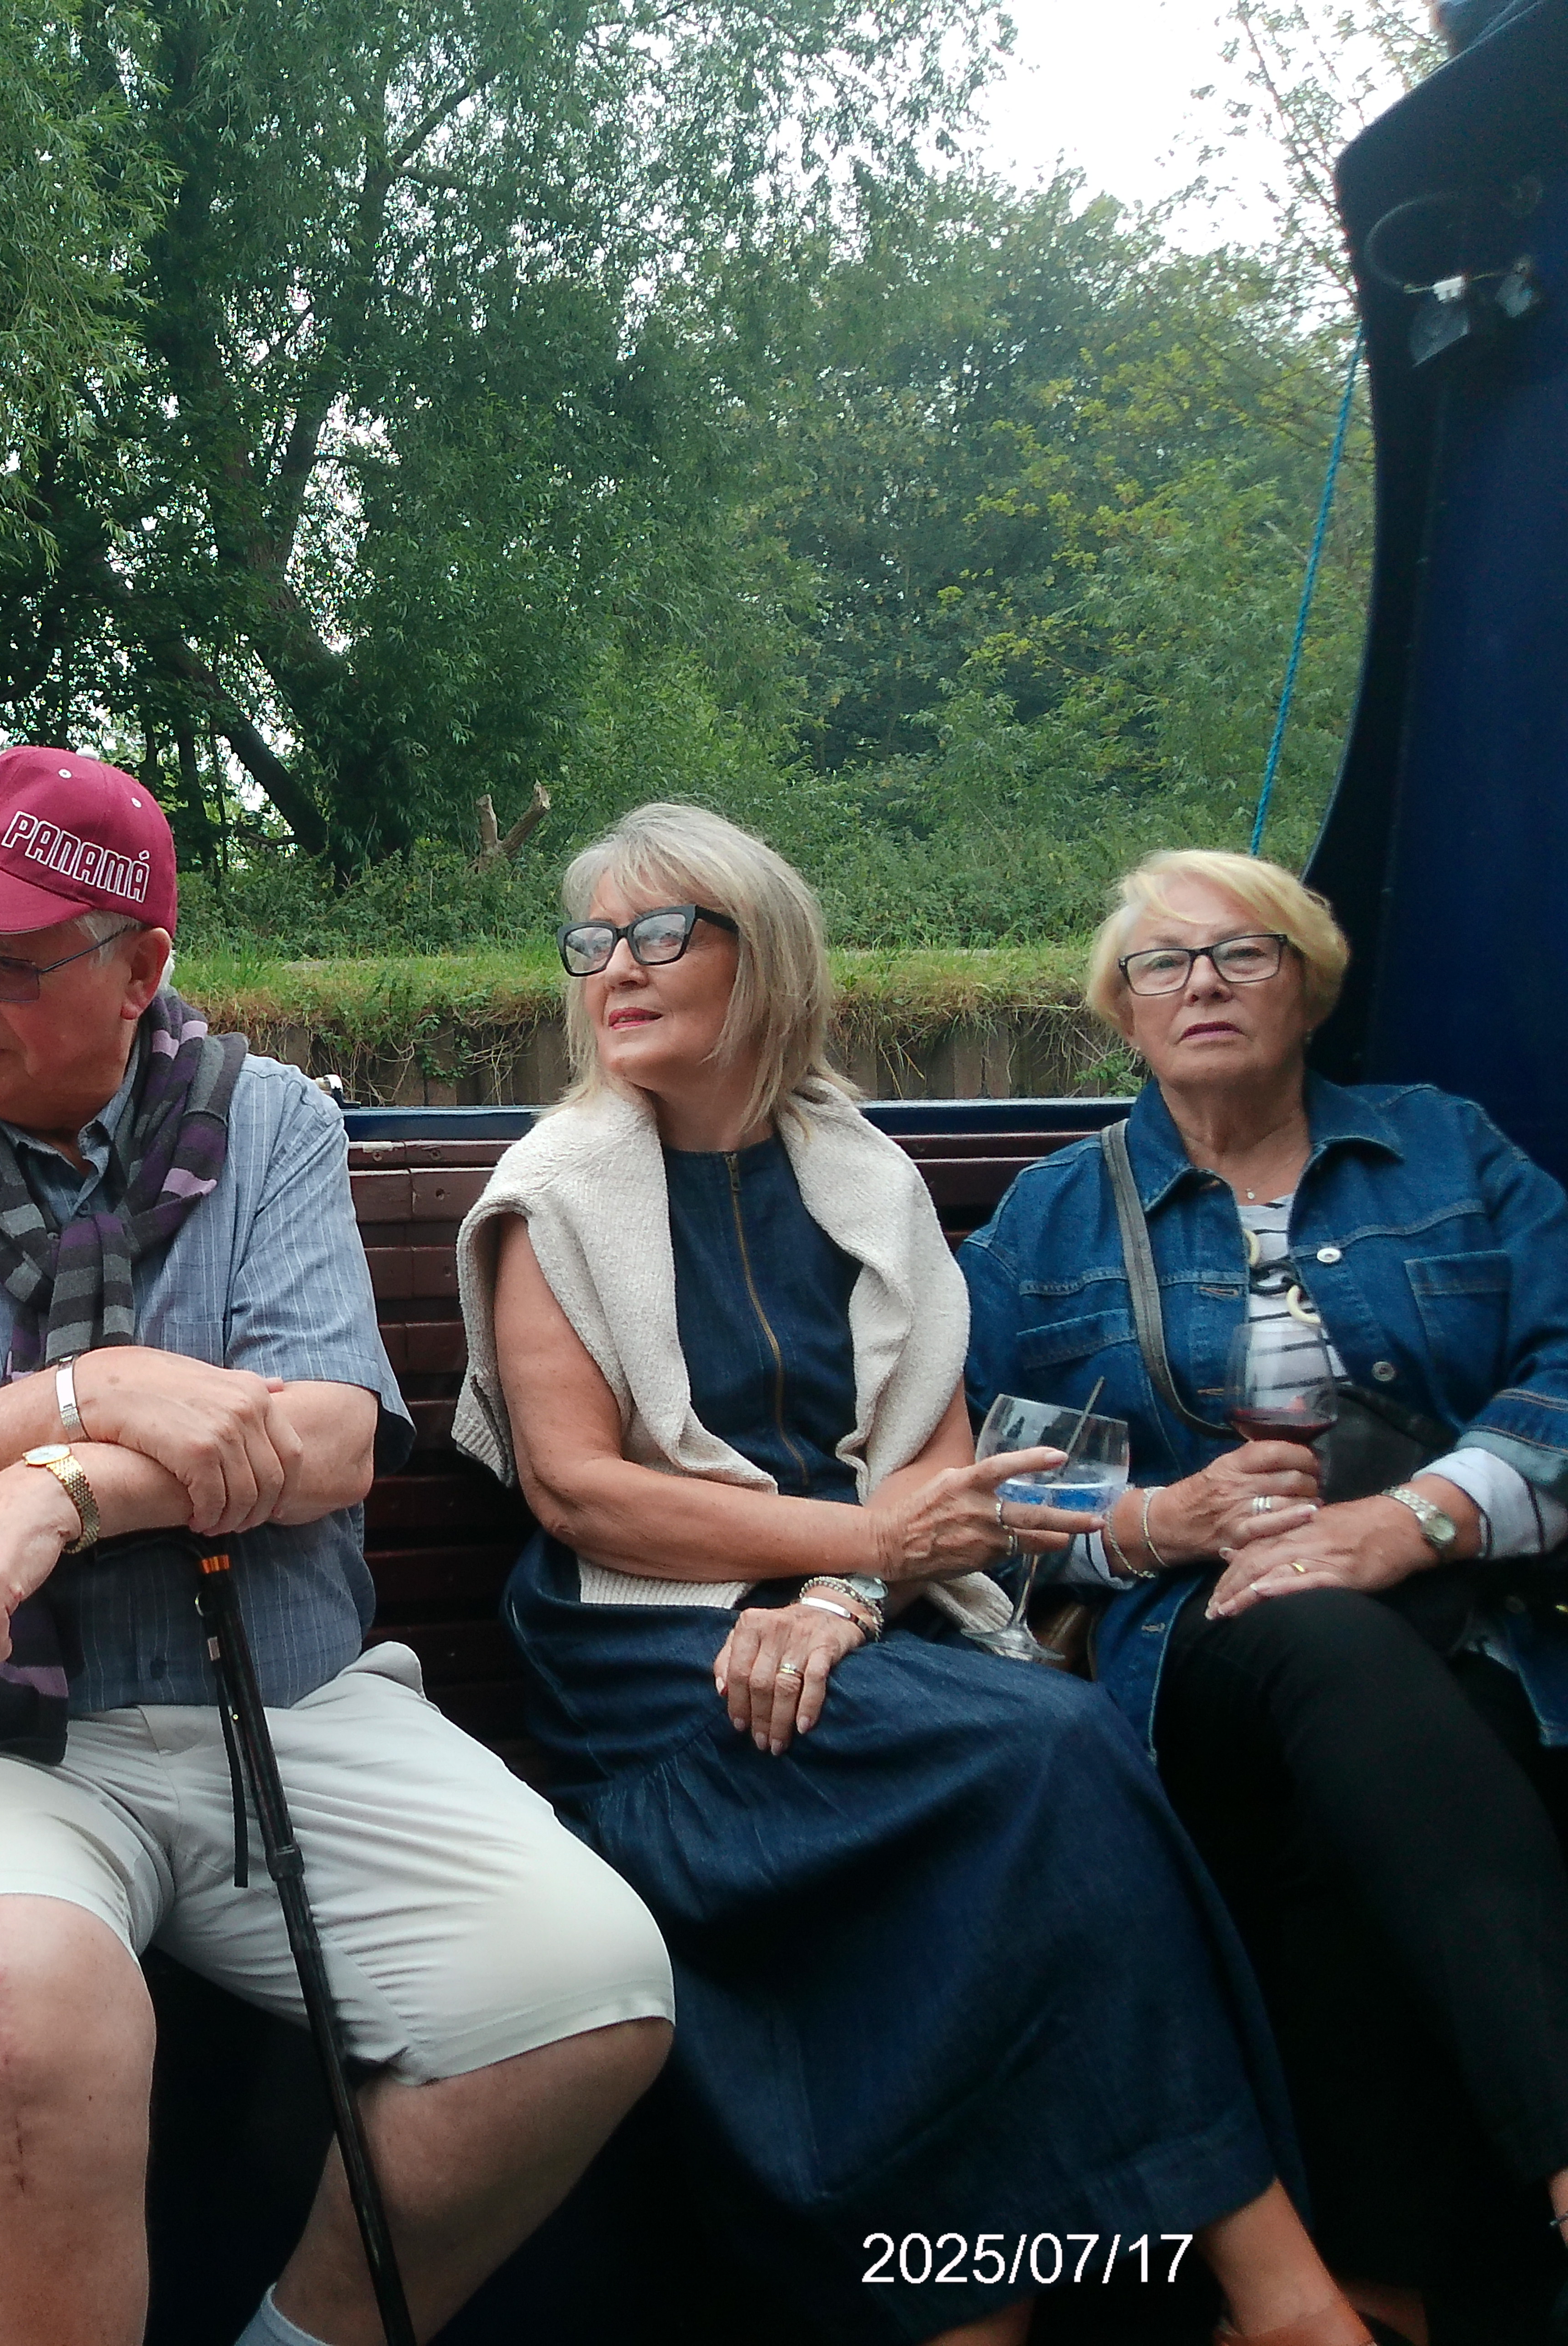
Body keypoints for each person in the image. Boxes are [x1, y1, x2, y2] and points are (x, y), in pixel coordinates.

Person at [0, 745, 676, 2346]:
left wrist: (59, 1489)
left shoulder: (274, 1125)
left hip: (277, 1699)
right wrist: (102, 1391)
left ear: (142, 966)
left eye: (9, 962)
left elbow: (329, 1442)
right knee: (5, 2022)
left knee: (585, 1991)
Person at [455, 803, 1379, 2346]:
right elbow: (584, 1493)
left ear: (768, 958)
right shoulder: (550, 1196)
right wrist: (855, 1553)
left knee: (1018, 1785)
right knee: (1049, 1751)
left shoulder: (863, 1179)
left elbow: (929, 1488)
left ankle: (971, 2312)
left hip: (865, 1623)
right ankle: (1276, 2292)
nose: (616, 966)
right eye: (594, 940)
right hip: (644, 1656)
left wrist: (841, 1596)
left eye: (663, 932)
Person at [962, 847, 1568, 2343]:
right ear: (1122, 1011)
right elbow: (976, 1495)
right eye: (1164, 964)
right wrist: (1160, 1518)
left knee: (1380, 1770)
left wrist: (1418, 1519)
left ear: (1309, 984)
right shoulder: (1050, 1221)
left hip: (1467, 1627)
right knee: (1313, 1632)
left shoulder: (1448, 1151)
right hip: (1199, 1655)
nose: (1205, 986)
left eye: (1245, 954)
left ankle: (1375, 2301)